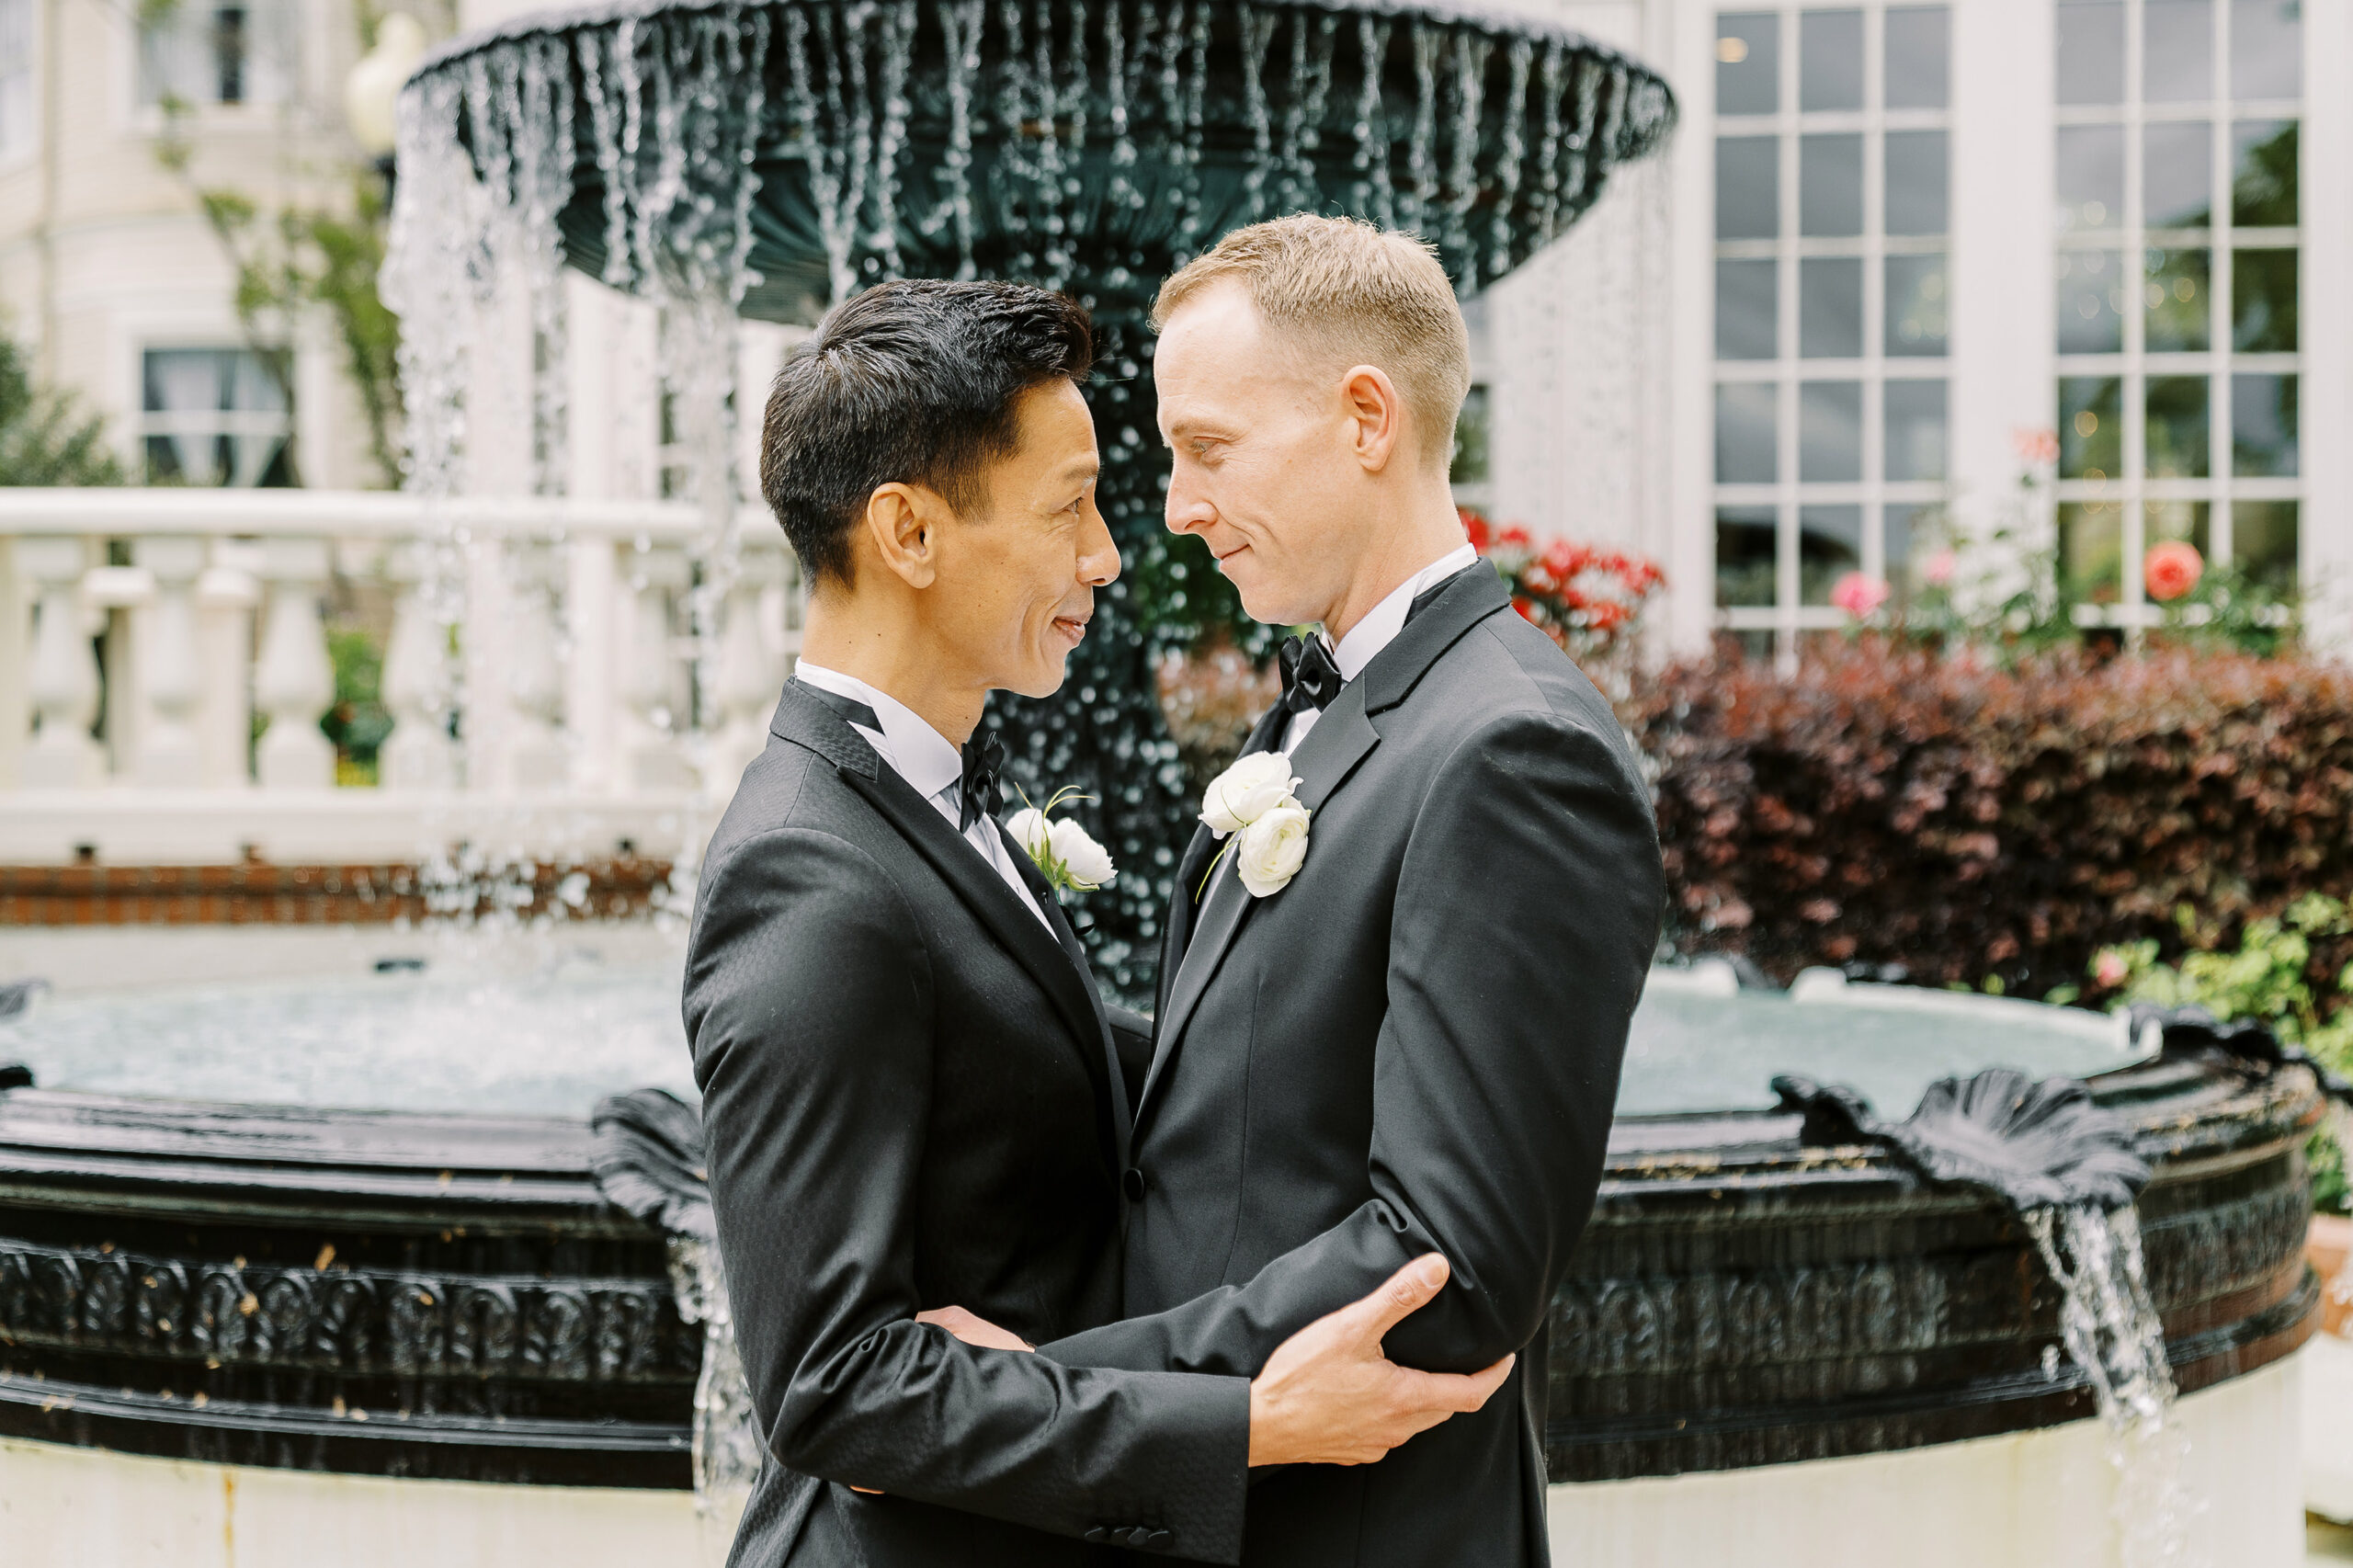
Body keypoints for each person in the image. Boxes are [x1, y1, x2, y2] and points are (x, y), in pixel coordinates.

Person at [683, 278, 1515, 1568]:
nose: (1109, 554)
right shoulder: (807, 871)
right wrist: (1244, 1421)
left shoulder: (941, 784)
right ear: (907, 531)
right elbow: (832, 1384)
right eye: (1068, 505)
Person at [944, 215, 1665, 1565]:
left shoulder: (1515, 749)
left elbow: (1446, 1265)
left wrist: (1049, 1387)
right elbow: (1256, 1094)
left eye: (1209, 449)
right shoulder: (1326, 707)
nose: (1175, 506)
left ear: (1366, 418)